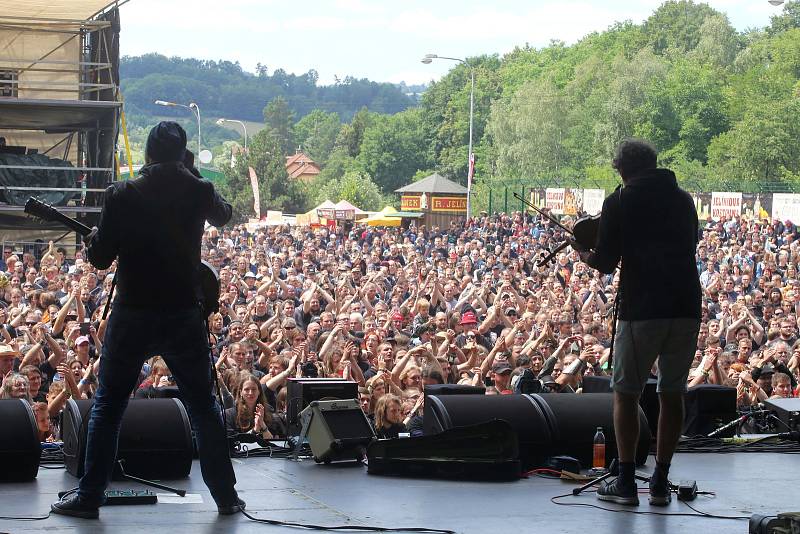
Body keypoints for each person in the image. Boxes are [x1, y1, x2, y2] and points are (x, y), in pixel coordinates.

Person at [51, 122, 243, 519]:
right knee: (204, 407)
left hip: (134, 311)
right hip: (182, 314)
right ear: (182, 153)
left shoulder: (122, 193)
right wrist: (193, 174)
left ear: (149, 153)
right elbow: (224, 215)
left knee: (108, 404)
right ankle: (226, 496)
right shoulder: (199, 189)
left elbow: (102, 258)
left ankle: (89, 497)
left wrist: (94, 242)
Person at [576, 139, 702, 507]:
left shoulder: (620, 200)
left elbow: (605, 261)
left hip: (642, 307)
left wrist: (584, 254)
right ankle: (661, 482)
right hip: (685, 304)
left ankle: (627, 481)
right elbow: (688, 245)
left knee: (627, 393)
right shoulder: (683, 199)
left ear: (622, 169)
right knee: (672, 392)